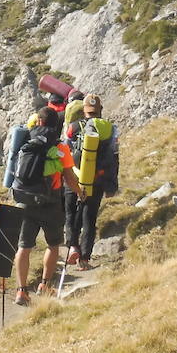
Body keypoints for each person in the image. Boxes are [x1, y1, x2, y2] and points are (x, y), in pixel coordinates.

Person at [13, 105, 84, 305]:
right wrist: (80, 193)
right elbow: (70, 178)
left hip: (26, 201)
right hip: (50, 202)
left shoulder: (26, 141)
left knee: (23, 247)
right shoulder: (60, 148)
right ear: (57, 125)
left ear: (39, 122)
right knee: (53, 245)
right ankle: (44, 284)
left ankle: (21, 291)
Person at [63, 94, 119, 271]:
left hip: (75, 178)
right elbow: (115, 158)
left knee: (71, 213)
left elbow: (65, 150)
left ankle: (72, 246)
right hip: (97, 180)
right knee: (90, 217)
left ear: (84, 111)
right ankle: (85, 258)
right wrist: (112, 185)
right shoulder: (110, 129)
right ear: (100, 110)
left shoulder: (73, 127)